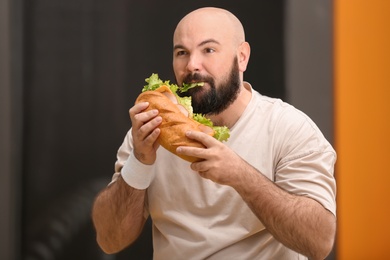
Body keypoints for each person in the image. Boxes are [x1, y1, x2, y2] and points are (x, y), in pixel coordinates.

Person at [92, 7, 337, 260]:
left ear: (241, 57)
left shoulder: (288, 128)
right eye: (181, 53)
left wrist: (240, 175)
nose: (192, 65)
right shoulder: (150, 130)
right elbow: (109, 240)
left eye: (208, 50)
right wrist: (140, 162)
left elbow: (319, 242)